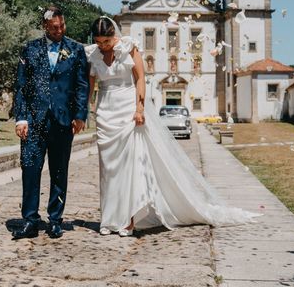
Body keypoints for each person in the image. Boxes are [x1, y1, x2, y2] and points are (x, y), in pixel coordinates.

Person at [86, 16, 259, 236]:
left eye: (107, 42)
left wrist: (139, 109)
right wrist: (85, 110)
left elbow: (140, 78)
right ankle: (109, 219)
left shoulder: (129, 47)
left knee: (129, 166)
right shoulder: (92, 53)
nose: (103, 46)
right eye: (100, 42)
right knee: (108, 169)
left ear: (114, 36)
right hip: (106, 112)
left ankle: (128, 219)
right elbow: (90, 86)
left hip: (128, 110)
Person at [12, 6, 89, 240]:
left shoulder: (76, 50)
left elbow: (82, 86)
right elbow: (21, 86)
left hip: (63, 120)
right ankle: (30, 221)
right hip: (34, 121)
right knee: (31, 170)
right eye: (54, 27)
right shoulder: (30, 49)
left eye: (62, 26)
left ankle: (55, 219)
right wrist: (21, 117)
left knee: (59, 171)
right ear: (45, 25)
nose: (59, 30)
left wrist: (80, 115)